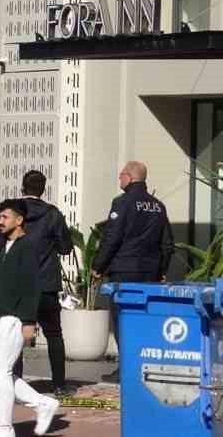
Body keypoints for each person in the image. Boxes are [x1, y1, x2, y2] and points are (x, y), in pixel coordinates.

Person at [0, 199, 60, 437]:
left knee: (0, 372)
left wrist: (29, 321)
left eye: (4, 217)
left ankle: (4, 428)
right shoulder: (5, 248)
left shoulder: (28, 247)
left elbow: (32, 286)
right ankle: (43, 403)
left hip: (15, 320)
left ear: (19, 220)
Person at [91, 160, 175, 375]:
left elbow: (112, 237)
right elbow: (167, 244)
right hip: (150, 273)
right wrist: (162, 271)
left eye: (121, 175)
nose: (119, 178)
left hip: (125, 271)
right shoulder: (158, 206)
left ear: (130, 177)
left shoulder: (123, 202)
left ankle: (126, 369)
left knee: (123, 320)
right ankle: (143, 366)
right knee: (145, 319)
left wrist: (98, 265)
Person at [11, 170, 71, 394]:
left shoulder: (11, 212)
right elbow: (66, 247)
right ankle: (59, 385)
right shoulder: (53, 214)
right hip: (46, 284)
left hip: (18, 285)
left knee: (16, 336)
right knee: (54, 334)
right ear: (43, 190)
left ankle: (15, 382)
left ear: (22, 188)